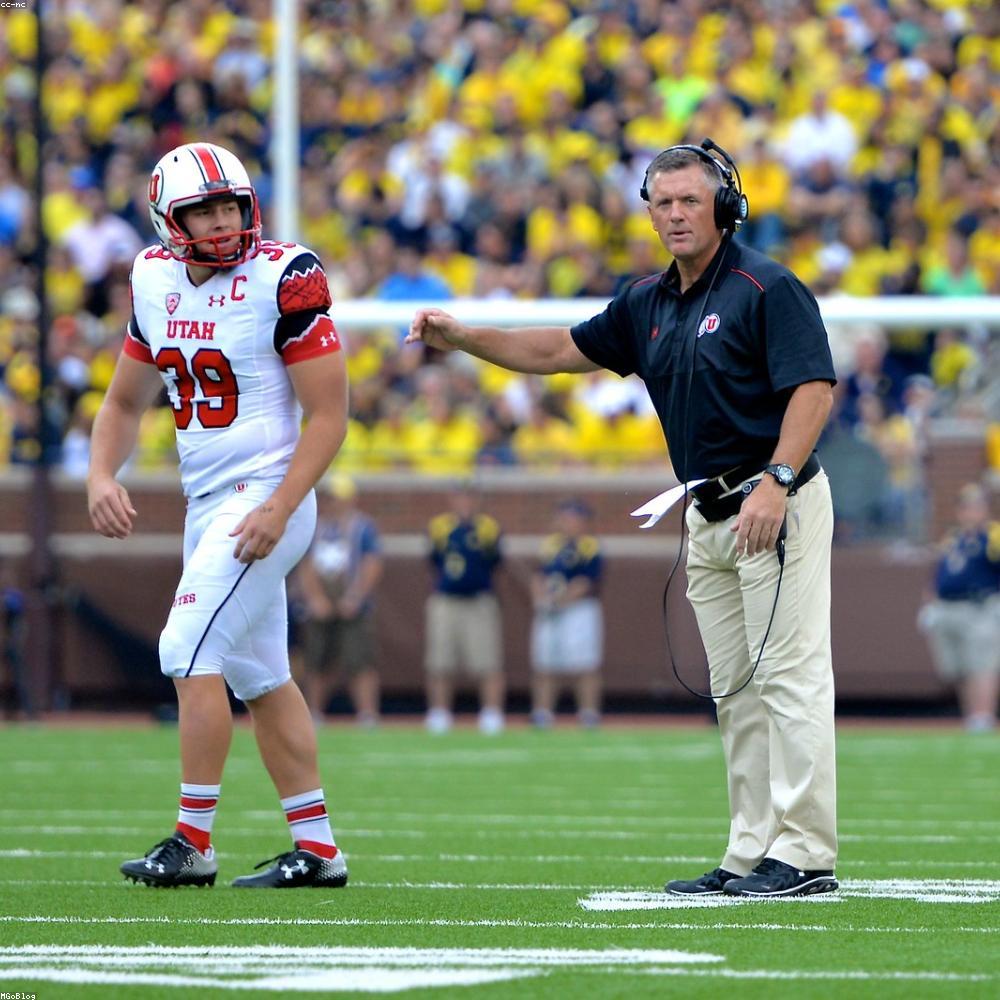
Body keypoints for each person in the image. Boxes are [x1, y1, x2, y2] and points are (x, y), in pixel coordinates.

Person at [408, 140, 839, 899]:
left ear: (725, 207)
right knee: (734, 688)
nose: (674, 215)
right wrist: (466, 337)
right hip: (706, 511)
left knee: (788, 676)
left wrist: (775, 480)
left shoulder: (767, 286)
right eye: (662, 202)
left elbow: (813, 389)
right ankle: (751, 849)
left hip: (777, 502)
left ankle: (804, 852)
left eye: (689, 201)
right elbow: (555, 349)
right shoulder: (647, 301)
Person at [87, 142, 350, 889]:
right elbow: (123, 402)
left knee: (185, 648)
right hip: (208, 505)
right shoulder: (153, 279)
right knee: (262, 675)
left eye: (230, 205)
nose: (222, 221)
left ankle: (192, 840)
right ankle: (319, 848)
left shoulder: (283, 275)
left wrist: (281, 503)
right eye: (203, 208)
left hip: (266, 495)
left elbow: (330, 415)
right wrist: (101, 473)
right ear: (168, 217)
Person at [296, 473, 382, 727]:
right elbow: (306, 564)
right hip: (323, 598)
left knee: (360, 659)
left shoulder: (363, 527)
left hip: (351, 597)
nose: (332, 503)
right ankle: (315, 712)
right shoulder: (315, 525)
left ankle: (367, 714)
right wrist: (315, 598)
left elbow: (372, 563)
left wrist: (356, 596)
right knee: (317, 658)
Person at [424, 481, 505, 734]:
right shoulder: (440, 526)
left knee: (487, 660)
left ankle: (491, 712)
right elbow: (434, 561)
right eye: (461, 497)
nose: (465, 503)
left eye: (470, 497)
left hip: (479, 599)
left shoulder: (488, 528)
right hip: (447, 598)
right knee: (440, 659)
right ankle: (439, 712)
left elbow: (494, 561)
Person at [917, 483, 1000, 732]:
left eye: (976, 507)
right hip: (948, 608)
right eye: (966, 507)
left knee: (982, 664)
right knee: (959, 668)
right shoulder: (954, 539)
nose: (970, 512)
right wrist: (930, 601)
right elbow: (941, 573)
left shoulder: (992, 536)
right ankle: (971, 716)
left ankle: (983, 716)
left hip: (980, 608)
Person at [530, 499, 604, 728]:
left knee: (585, 663)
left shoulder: (590, 547)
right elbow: (538, 575)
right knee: (545, 662)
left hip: (579, 611)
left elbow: (586, 581)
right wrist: (541, 598)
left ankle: (588, 713)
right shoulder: (550, 546)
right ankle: (543, 712)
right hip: (550, 609)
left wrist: (560, 600)